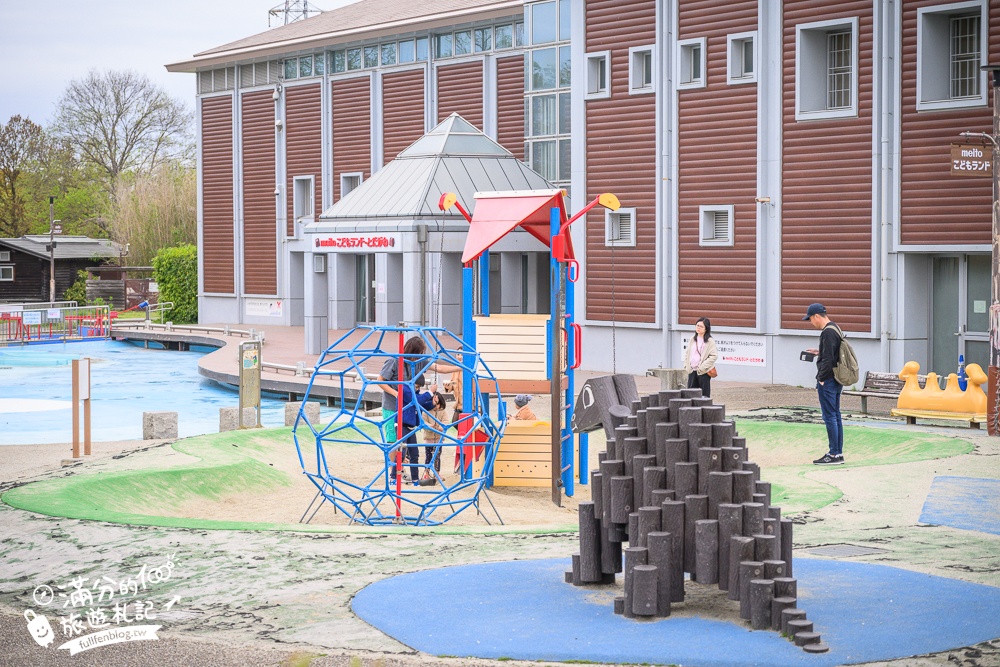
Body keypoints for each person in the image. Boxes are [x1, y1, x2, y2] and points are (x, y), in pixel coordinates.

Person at [803, 303, 845, 465]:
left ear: (817, 316)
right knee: (835, 415)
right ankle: (838, 452)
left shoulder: (827, 332)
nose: (811, 323)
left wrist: (821, 378)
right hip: (836, 379)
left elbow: (828, 360)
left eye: (811, 319)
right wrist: (818, 351)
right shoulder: (835, 328)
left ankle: (834, 454)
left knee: (829, 416)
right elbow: (832, 353)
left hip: (828, 380)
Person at [682, 317, 718, 398]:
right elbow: (687, 353)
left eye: (701, 326)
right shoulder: (692, 339)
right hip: (692, 371)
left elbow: (714, 355)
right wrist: (686, 366)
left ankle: (705, 410)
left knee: (704, 395)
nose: (698, 328)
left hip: (703, 372)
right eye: (697, 325)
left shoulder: (709, 341)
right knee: (691, 395)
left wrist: (702, 367)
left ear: (706, 328)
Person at [421, 390, 448, 484]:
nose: (437, 406)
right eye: (435, 404)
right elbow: (423, 422)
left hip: (438, 439)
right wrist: (430, 426)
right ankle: (427, 473)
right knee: (428, 456)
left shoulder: (443, 412)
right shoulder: (427, 411)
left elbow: (446, 423)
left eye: (438, 404)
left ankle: (437, 473)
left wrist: (439, 426)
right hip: (429, 438)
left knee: (437, 456)